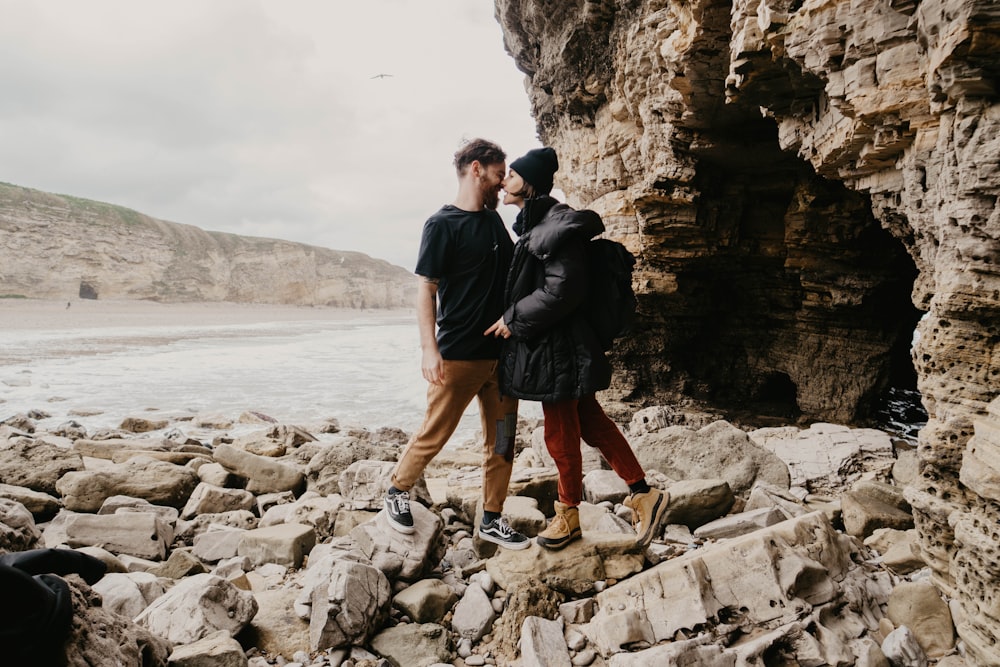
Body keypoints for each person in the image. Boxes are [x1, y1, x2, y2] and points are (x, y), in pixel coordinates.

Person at [485, 147, 668, 550]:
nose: (505, 181)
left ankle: (568, 514)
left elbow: (563, 289)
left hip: (558, 349)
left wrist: (513, 319)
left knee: (560, 433)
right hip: (559, 345)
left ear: (528, 184)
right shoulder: (541, 227)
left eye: (512, 175)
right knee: (591, 422)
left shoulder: (556, 228)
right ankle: (643, 493)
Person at [383, 138, 530, 550]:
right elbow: (426, 290)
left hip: (503, 359)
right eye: (499, 175)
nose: (503, 186)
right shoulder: (441, 224)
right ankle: (396, 490)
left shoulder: (492, 222)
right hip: (458, 355)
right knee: (436, 431)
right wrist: (429, 350)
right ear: (477, 169)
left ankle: (493, 518)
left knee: (502, 440)